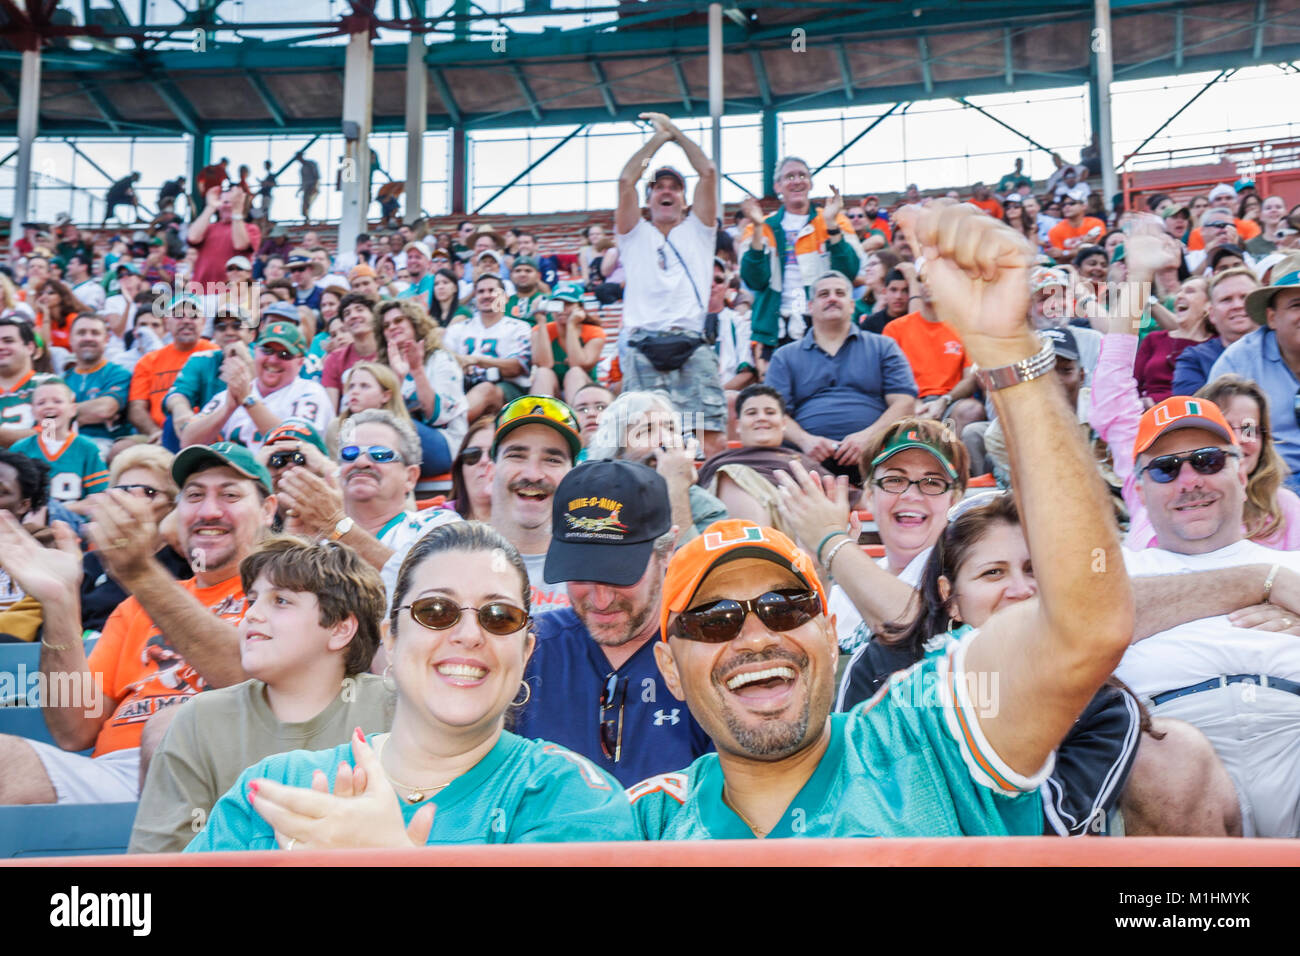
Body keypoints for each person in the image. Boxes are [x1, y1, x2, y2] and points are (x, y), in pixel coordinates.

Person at [627, 200, 1136, 840]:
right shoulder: (646, 822)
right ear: (669, 668)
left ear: (825, 629)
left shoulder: (922, 736)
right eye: (714, 618)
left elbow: (1086, 624)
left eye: (786, 608)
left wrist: (1010, 355)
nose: (756, 636)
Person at [188, 522, 637, 850]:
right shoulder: (277, 786)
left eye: (498, 617)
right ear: (391, 638)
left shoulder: (571, 798)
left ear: (524, 653)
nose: (468, 635)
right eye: (436, 610)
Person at [833, 490, 1242, 836]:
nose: (1020, 589)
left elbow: (1046, 834)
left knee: (1175, 746)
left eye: (1035, 570)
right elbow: (842, 785)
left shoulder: (1106, 707)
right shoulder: (885, 663)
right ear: (951, 597)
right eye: (993, 573)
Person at [0, 442, 276, 805]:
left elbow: (250, 682)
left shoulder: (286, 588)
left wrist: (140, 575)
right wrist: (60, 602)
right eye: (193, 496)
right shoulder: (134, 607)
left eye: (229, 494)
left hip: (229, 769)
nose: (209, 511)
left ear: (268, 510)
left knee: (172, 730)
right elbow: (73, 731)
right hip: (114, 773)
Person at [130, 536, 395, 854]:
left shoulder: (396, 710)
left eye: (281, 601)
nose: (251, 614)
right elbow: (161, 858)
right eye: (252, 600)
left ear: (340, 629)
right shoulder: (199, 721)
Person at [1116, 395, 1300, 837]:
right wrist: (1260, 582)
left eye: (1208, 461)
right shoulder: (1116, 571)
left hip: (1293, 726)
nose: (1189, 481)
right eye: (1166, 469)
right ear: (1140, 489)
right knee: (1165, 757)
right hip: (1175, 737)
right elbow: (1097, 622)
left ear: (1241, 470)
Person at [515, 460, 712, 787]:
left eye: (620, 574)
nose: (601, 599)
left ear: (667, 551)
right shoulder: (526, 649)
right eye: (580, 573)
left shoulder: (711, 651)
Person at [614, 112, 722, 455]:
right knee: (641, 438)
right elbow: (625, 181)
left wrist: (675, 131)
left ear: (684, 200)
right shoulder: (634, 233)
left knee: (706, 436)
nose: (667, 191)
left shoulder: (700, 229)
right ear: (649, 200)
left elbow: (707, 172)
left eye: (675, 187)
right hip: (642, 344)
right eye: (659, 187)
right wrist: (658, 140)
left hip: (691, 341)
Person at [273, 408, 460, 602]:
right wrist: (295, 547)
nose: (361, 462)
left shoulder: (439, 524)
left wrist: (338, 526)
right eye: (349, 453)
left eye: (380, 454)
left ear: (410, 477)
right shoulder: (320, 538)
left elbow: (429, 587)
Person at [763, 270, 917, 479]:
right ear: (810, 306)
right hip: (805, 457)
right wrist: (805, 440)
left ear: (852, 305)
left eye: (840, 293)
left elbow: (904, 402)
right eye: (824, 294)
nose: (832, 298)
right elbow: (773, 412)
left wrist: (869, 437)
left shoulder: (883, 346)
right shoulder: (785, 355)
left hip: (877, 453)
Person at [738, 155, 860, 357]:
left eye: (802, 175)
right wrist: (759, 229)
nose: (796, 181)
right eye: (789, 177)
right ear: (778, 187)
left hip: (823, 324)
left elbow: (848, 273)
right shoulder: (758, 227)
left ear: (810, 183)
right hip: (775, 329)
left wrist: (831, 225)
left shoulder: (835, 219)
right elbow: (754, 281)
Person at [1208, 256, 1300, 493]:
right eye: (1296, 305)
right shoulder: (1239, 365)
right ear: (1272, 318)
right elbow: (1231, 435)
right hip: (1268, 483)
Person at [78, 445, 189, 636]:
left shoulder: (187, 564)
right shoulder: (92, 562)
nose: (132, 498)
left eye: (149, 492)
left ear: (172, 505)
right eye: (123, 490)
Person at [487, 395, 580, 613]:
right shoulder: (448, 555)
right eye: (517, 456)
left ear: (573, 478)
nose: (533, 474)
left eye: (552, 460)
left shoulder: (596, 575)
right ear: (490, 472)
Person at [182, 321, 333, 450]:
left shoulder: (310, 393)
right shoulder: (233, 393)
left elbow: (293, 445)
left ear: (300, 362)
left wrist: (248, 401)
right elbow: (187, 441)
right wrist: (227, 409)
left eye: (284, 355)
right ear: (256, 351)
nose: (273, 360)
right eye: (267, 350)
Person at [374, 297, 468, 476]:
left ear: (415, 324)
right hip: (402, 445)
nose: (392, 327)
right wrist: (398, 378)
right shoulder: (384, 368)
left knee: (395, 426)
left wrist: (417, 371)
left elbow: (439, 416)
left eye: (398, 320)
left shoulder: (440, 359)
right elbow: (379, 414)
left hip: (445, 444)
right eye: (386, 325)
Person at [882, 279, 984, 436]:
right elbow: (889, 379)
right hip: (909, 401)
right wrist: (912, 403)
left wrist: (944, 401)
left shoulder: (965, 328)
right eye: (923, 280)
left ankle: (953, 459)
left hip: (951, 402)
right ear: (918, 287)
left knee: (971, 410)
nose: (929, 284)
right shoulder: (895, 329)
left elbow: (970, 378)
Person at [442, 275, 533, 422]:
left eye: (492, 291)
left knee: (486, 388)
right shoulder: (458, 329)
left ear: (505, 298)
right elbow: (443, 362)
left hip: (505, 390)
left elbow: (517, 367)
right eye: (481, 291)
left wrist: (477, 360)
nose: (486, 295)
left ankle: (453, 425)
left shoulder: (519, 328)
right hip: (462, 384)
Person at [163, 304, 258, 442]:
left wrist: (248, 361)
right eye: (222, 328)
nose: (229, 332)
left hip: (255, 430)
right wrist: (180, 409)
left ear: (251, 334)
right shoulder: (202, 359)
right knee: (172, 422)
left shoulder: (266, 358)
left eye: (237, 326)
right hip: (215, 433)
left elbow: (270, 400)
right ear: (214, 335)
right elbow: (178, 393)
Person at [11, 378, 109, 506]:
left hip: (75, 522)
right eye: (41, 403)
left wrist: (57, 513)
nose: (49, 406)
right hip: (31, 523)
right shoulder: (20, 449)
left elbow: (99, 498)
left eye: (57, 401)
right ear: (33, 412)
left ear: (73, 409)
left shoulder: (87, 448)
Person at [1171, 266, 1259, 396]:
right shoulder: (1194, 359)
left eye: (1245, 297)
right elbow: (1191, 410)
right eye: (1226, 299)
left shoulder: (1283, 346)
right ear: (1211, 314)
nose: (1237, 305)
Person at [63, 314, 133, 454]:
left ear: (106, 339)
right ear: (70, 339)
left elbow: (105, 409)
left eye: (95, 333)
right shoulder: (60, 380)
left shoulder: (118, 373)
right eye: (81, 333)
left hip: (104, 444)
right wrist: (79, 416)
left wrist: (62, 415)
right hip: (63, 443)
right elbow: (47, 427)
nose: (88, 338)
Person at [529, 285, 606, 404]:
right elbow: (544, 364)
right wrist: (541, 321)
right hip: (554, 390)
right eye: (557, 304)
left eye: (568, 304)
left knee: (574, 373)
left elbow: (578, 364)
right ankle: (540, 418)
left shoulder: (594, 332)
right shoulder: (539, 330)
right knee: (543, 373)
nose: (562, 310)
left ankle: (577, 419)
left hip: (586, 390)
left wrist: (571, 326)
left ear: (580, 307)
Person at [187, 186, 260, 291]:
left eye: (232, 202)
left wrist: (237, 212)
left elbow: (240, 244)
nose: (228, 206)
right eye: (225, 202)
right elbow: (192, 238)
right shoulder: (209, 228)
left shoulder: (251, 228)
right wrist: (210, 207)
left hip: (233, 293)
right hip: (202, 291)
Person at [321, 292, 381, 410]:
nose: (353, 316)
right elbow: (331, 408)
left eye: (359, 310)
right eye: (347, 313)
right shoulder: (334, 359)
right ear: (344, 323)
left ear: (374, 316)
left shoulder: (391, 352)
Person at [447, 415, 494, 521]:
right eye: (473, 455)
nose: (484, 460)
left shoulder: (531, 523)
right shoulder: (436, 521)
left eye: (494, 454)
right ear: (460, 469)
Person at [33, 278, 91, 353]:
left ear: (61, 297)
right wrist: (46, 314)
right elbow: (44, 345)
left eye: (50, 293)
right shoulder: (41, 316)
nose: (44, 296)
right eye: (41, 293)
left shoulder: (72, 318)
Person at [1047, 192, 1105, 260]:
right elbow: (1059, 258)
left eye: (1072, 203)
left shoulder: (1096, 223)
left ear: (1084, 206)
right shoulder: (1055, 230)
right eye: (1063, 205)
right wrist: (1083, 244)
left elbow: (1097, 251)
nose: (1066, 207)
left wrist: (1065, 253)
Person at [571, 382, 612, 453]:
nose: (591, 414)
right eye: (582, 409)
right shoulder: (560, 458)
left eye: (600, 407)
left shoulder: (631, 457)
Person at [297, 152, 321, 225]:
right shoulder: (302, 169)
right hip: (307, 188)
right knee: (305, 204)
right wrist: (299, 190)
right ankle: (307, 219)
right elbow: (303, 181)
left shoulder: (311, 164)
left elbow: (317, 176)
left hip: (312, 186)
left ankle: (307, 219)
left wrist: (315, 186)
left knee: (308, 203)